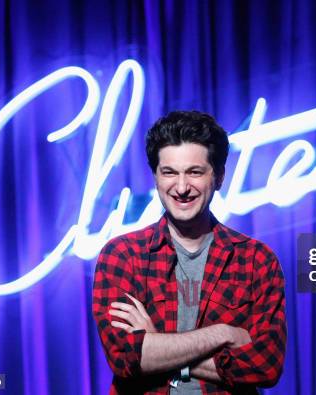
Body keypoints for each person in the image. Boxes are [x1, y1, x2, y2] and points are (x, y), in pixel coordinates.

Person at [92, 111, 287, 394]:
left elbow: (265, 366)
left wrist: (159, 343)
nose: (181, 187)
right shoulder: (123, 255)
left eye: (195, 172)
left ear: (219, 177)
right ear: (156, 177)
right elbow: (126, 357)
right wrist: (222, 334)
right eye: (169, 172)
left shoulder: (256, 260)